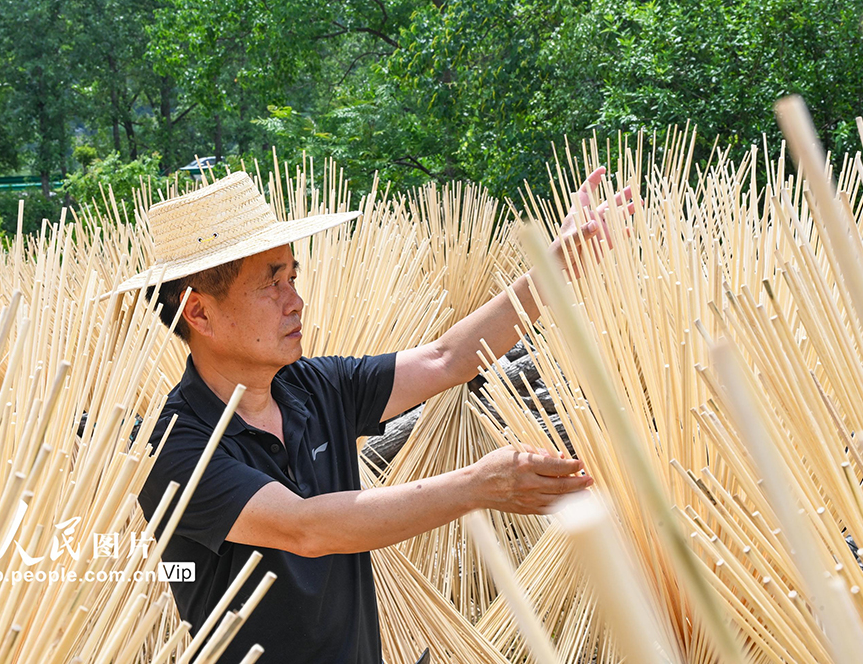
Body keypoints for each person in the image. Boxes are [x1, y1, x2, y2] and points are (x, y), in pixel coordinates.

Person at [116, 169, 629, 663]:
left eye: (293, 277)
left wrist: (553, 271)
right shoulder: (177, 449)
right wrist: (477, 485)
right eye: (272, 284)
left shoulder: (315, 388)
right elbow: (305, 528)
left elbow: (445, 359)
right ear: (199, 312)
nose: (296, 301)